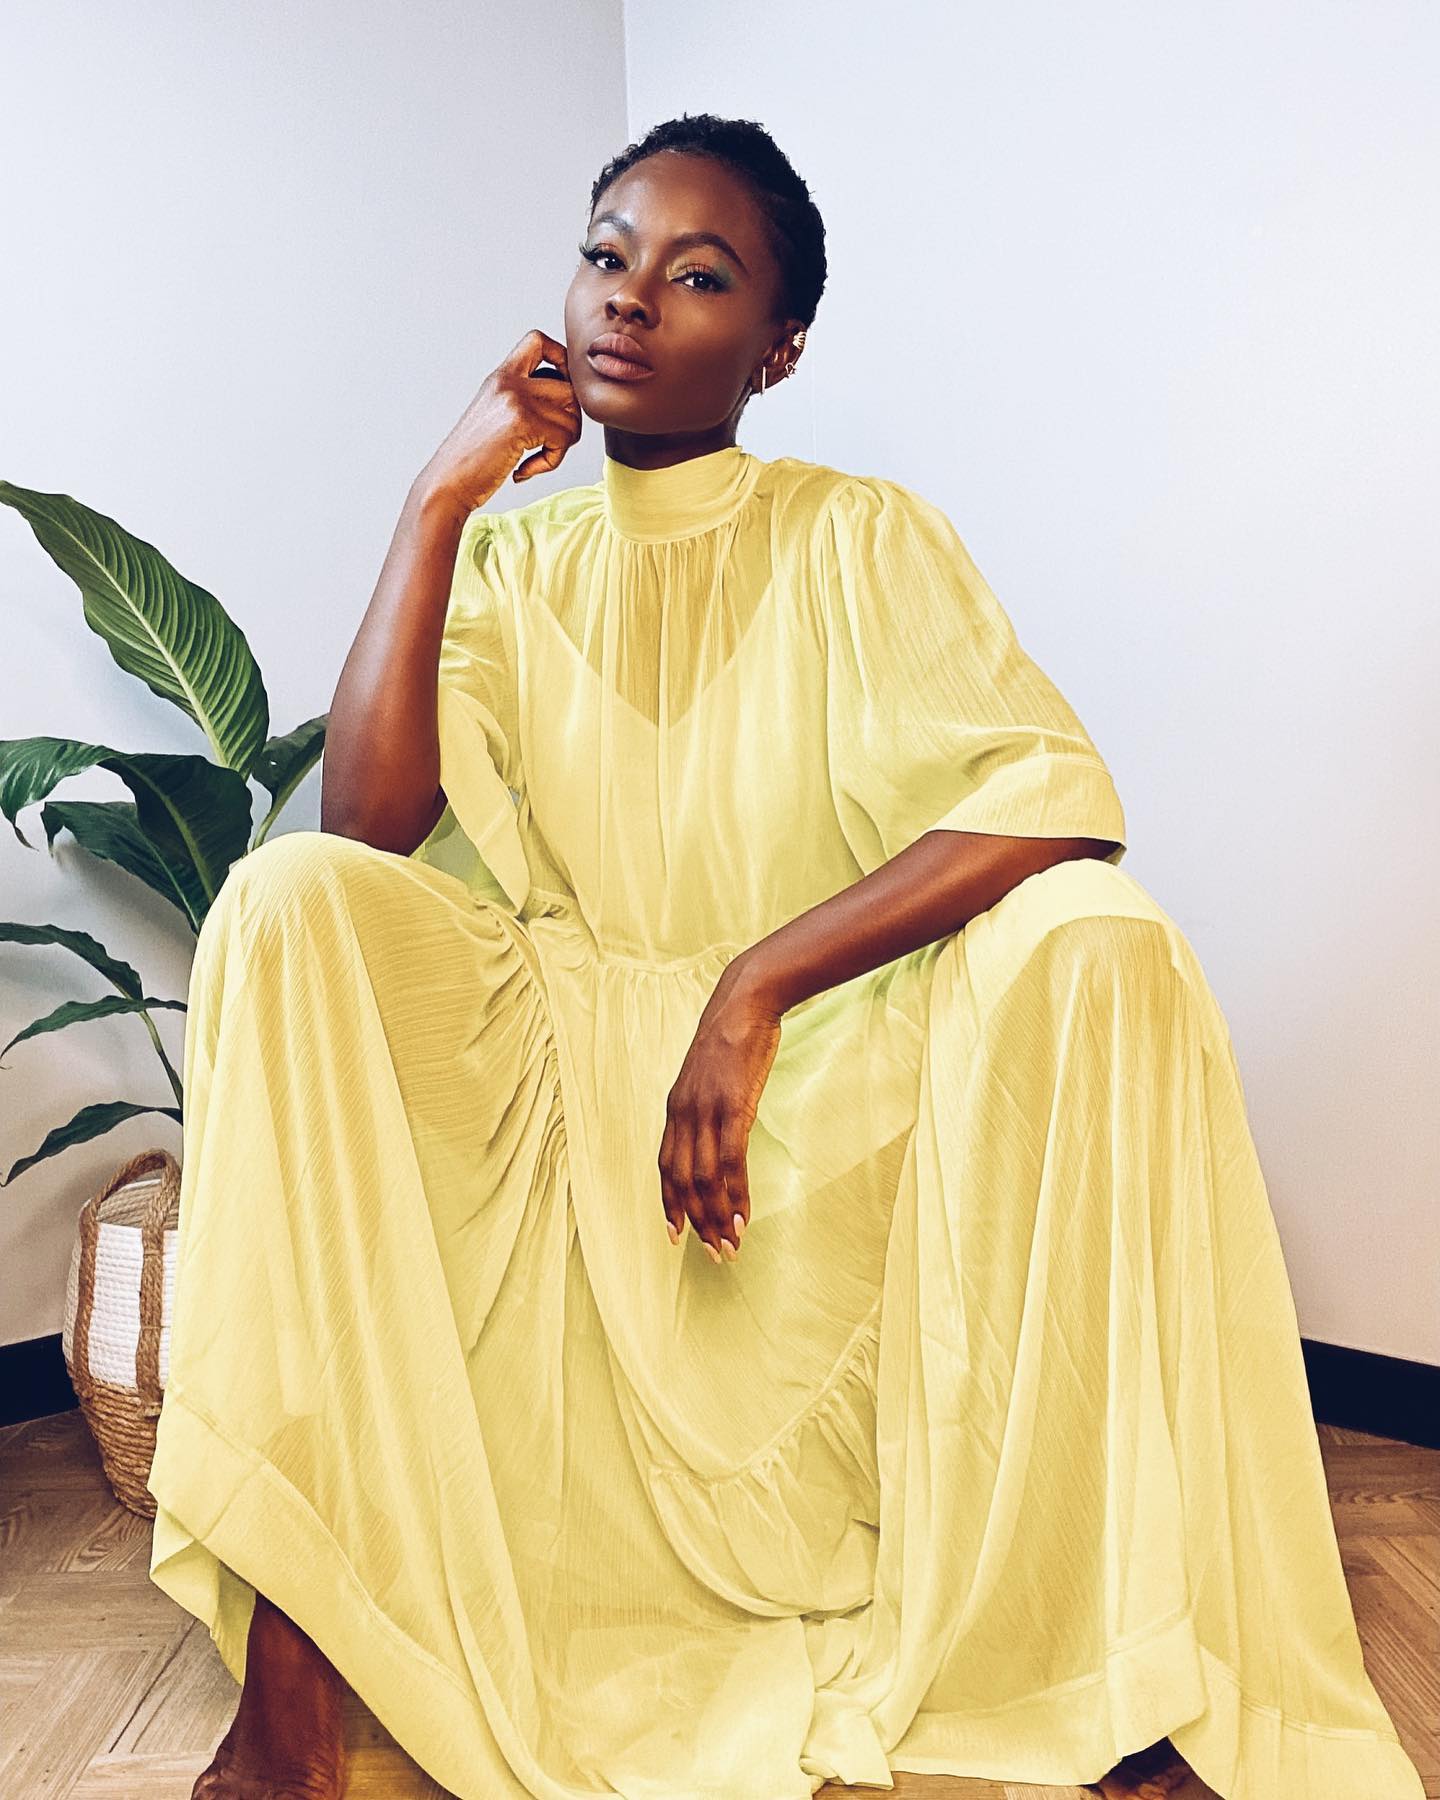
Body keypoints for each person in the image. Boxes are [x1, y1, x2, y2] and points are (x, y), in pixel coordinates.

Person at [148, 113, 1423, 1800]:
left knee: (1106, 945)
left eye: (698, 276)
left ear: (780, 348)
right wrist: (437, 500)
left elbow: (1050, 801)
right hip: (557, 1048)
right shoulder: (509, 559)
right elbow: (368, 827)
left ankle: (1123, 1660)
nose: (629, 298)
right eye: (607, 257)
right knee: (286, 905)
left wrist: (751, 989)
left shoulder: (859, 534)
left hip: (829, 1054)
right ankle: (294, 1689)